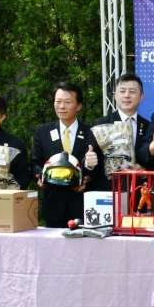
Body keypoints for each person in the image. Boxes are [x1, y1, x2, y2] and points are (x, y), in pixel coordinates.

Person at [31, 82, 100, 228]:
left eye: (67, 102)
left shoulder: (91, 132)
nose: (61, 106)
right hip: (53, 206)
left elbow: (97, 166)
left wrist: (87, 176)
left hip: (83, 206)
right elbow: (35, 162)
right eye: (58, 101)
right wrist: (40, 178)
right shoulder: (42, 132)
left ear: (79, 106)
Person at [92, 73, 150, 190]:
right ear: (115, 95)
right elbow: (93, 158)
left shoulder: (148, 126)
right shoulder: (101, 124)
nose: (126, 96)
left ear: (141, 96)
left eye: (132, 92)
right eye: (122, 91)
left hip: (139, 189)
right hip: (110, 190)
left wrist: (142, 170)